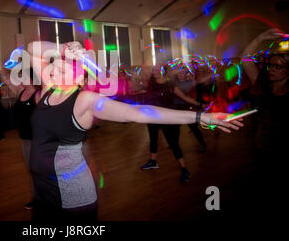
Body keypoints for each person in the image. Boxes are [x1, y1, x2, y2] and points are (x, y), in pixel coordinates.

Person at [20, 41, 243, 222]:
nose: (51, 70)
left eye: (61, 69)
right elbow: (32, 48)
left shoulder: (84, 100)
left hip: (72, 193)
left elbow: (138, 113)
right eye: (53, 66)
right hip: (42, 192)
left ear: (79, 79)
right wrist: (65, 50)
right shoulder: (49, 89)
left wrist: (201, 116)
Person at [240, 29, 288, 216]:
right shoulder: (262, 84)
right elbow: (245, 58)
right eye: (271, 66)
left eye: (279, 67)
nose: (273, 70)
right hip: (262, 148)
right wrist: (260, 37)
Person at [140, 65, 191, 183]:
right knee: (153, 139)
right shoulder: (152, 82)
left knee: (173, 143)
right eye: (154, 70)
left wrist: (198, 104)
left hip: (165, 117)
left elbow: (183, 97)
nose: (155, 71)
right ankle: (153, 161)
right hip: (152, 116)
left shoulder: (169, 84)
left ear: (163, 71)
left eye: (157, 69)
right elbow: (144, 80)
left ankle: (184, 168)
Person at [1, 68, 40, 210]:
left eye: (24, 76)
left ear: (32, 79)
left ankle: (42, 199)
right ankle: (38, 198)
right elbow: (5, 78)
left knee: (38, 171)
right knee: (32, 170)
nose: (21, 79)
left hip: (37, 140)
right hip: (25, 139)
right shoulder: (21, 91)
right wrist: (6, 67)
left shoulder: (38, 94)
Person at [173, 64, 208, 152]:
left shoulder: (190, 82)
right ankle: (174, 144)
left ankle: (203, 144)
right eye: (180, 72)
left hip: (187, 106)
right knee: (175, 127)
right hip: (176, 107)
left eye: (184, 73)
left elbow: (200, 81)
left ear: (187, 74)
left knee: (193, 127)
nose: (182, 74)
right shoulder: (174, 82)